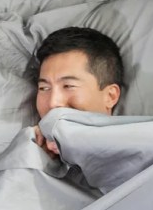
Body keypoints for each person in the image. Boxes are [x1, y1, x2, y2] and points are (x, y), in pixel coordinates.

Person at [30, 26, 125, 156]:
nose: (53, 103)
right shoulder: (30, 150)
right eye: (44, 88)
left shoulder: (144, 152)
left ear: (110, 96)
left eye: (68, 86)